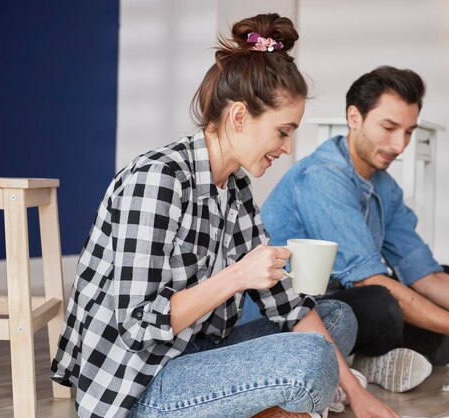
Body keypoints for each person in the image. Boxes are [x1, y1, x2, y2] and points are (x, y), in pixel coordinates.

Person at [51, 15, 399, 418]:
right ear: (238, 117)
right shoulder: (158, 180)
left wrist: (360, 398)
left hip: (198, 353)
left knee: (335, 319)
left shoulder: (236, 189)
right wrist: (236, 276)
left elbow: (287, 306)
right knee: (309, 361)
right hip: (139, 383)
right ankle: (289, 404)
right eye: (283, 131)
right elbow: (138, 327)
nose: (286, 148)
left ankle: (288, 404)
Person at [261, 66, 449, 393]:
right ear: (355, 118)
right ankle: (370, 361)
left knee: (444, 279)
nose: (399, 145)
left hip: (346, 299)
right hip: (295, 313)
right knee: (381, 302)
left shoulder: (385, 188)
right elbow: (367, 279)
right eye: (389, 127)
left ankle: (378, 360)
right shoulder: (323, 176)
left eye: (408, 132)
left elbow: (426, 275)